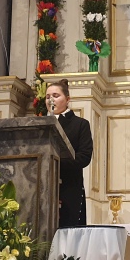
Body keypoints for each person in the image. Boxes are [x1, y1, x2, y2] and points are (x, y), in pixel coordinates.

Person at [46, 79, 94, 227]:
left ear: (67, 99)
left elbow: (84, 157)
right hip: (43, 189)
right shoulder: (39, 124)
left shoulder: (80, 124)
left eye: (55, 95)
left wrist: (55, 162)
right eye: (47, 97)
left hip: (69, 189)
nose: (51, 100)